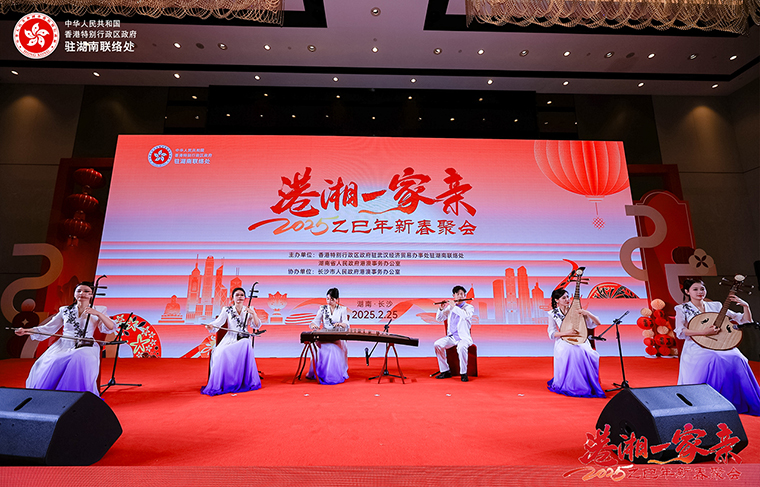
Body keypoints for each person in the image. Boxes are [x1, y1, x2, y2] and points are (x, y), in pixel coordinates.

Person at [674, 278, 760, 415]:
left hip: (719, 342)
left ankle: (736, 400)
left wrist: (746, 306)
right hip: (696, 344)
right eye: (695, 289)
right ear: (687, 292)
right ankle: (709, 400)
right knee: (714, 358)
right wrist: (703, 332)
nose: (700, 292)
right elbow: (680, 331)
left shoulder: (716, 305)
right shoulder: (682, 308)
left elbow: (744, 320)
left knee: (739, 357)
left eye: (702, 289)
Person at [15, 281, 116, 396]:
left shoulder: (100, 309)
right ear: (74, 294)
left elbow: (110, 327)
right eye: (79, 291)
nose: (82, 293)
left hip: (86, 345)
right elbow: (49, 328)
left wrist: (97, 314)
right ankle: (50, 395)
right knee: (52, 360)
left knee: (78, 357)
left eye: (86, 291)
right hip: (64, 344)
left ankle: (76, 395)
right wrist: (26, 331)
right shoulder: (65, 310)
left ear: (91, 295)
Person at [202, 287, 262, 396]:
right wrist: (211, 326)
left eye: (242, 295)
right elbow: (218, 322)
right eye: (237, 295)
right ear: (232, 298)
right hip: (230, 338)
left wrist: (253, 313)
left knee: (246, 343)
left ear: (245, 297)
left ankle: (241, 380)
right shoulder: (227, 309)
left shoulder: (249, 309)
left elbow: (256, 325)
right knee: (220, 352)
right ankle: (226, 382)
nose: (239, 297)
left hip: (243, 338)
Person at [546, 288, 605, 398]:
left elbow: (597, 323)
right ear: (556, 300)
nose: (567, 299)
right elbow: (552, 334)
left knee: (586, 351)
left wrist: (587, 313)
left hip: (580, 340)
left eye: (568, 297)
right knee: (571, 351)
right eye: (563, 298)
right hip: (563, 340)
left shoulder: (577, 310)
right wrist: (566, 333)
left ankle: (585, 383)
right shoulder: (553, 314)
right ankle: (571, 384)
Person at [308, 288, 350, 385]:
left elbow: (346, 323)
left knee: (332, 349)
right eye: (327, 299)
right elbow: (315, 321)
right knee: (322, 348)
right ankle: (321, 373)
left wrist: (341, 324)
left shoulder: (342, 309)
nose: (329, 301)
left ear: (337, 299)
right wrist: (314, 325)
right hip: (324, 337)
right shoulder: (323, 309)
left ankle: (331, 375)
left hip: (336, 338)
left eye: (332, 299)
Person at [434, 285, 474, 382]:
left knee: (461, 347)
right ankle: (445, 370)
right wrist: (441, 309)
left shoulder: (469, 307)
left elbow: (465, 316)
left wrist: (453, 307)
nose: (460, 296)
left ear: (465, 296)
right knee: (437, 344)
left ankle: (463, 373)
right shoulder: (450, 307)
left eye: (462, 294)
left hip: (463, 338)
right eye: (458, 294)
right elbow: (439, 319)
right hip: (452, 337)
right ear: (453, 296)